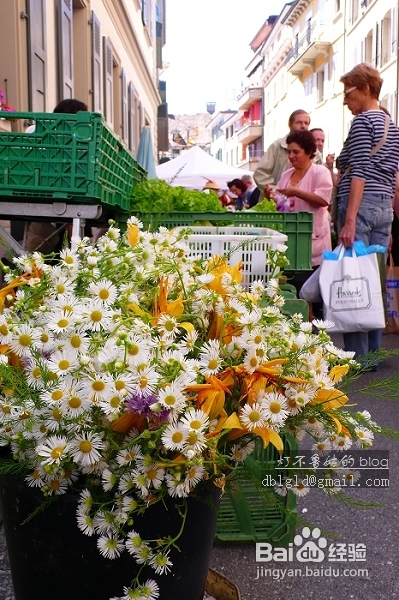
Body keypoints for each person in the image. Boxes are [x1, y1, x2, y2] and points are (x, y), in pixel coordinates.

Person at [336, 62, 399, 361]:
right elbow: (392, 176)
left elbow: (358, 170)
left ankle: (356, 356)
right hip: (383, 207)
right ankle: (372, 354)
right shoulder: (392, 126)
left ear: (364, 89)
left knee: (353, 279)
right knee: (372, 281)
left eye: (348, 93)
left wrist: (349, 221)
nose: (345, 100)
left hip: (359, 207)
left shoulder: (362, 123)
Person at [24, 99, 89, 252]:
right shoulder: (84, 138)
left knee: (38, 237)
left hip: (35, 192)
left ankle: (30, 270)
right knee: (73, 234)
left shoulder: (33, 130)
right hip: (72, 195)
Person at [266, 130, 333, 269]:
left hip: (314, 244)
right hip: (289, 242)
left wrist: (295, 192)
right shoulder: (286, 175)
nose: (291, 156)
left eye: (296, 152)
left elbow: (323, 200)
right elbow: (280, 203)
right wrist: (270, 197)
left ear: (308, 152)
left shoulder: (320, 172)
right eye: (289, 152)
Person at [254, 109, 323, 199]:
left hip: (304, 206)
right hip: (277, 206)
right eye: (299, 122)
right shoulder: (277, 146)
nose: (303, 126)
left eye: (306, 123)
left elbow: (320, 183)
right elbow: (260, 172)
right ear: (290, 125)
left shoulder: (315, 153)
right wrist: (276, 193)